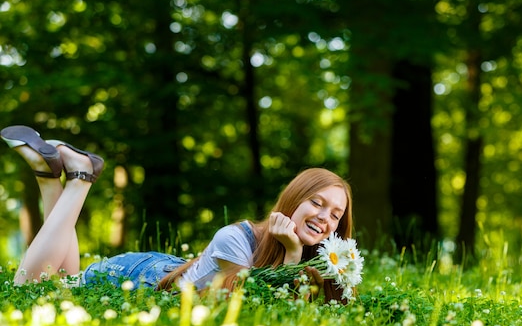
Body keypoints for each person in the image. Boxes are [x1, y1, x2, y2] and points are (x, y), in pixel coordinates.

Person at [1, 125, 354, 302]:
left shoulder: (325, 263)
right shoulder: (236, 239)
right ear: (293, 200)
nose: (326, 217)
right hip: (138, 276)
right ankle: (80, 178)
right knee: (30, 289)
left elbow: (316, 311)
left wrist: (304, 262)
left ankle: (50, 176)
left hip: (163, 266)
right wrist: (291, 254)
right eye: (317, 203)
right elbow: (248, 305)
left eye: (336, 214)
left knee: (62, 280)